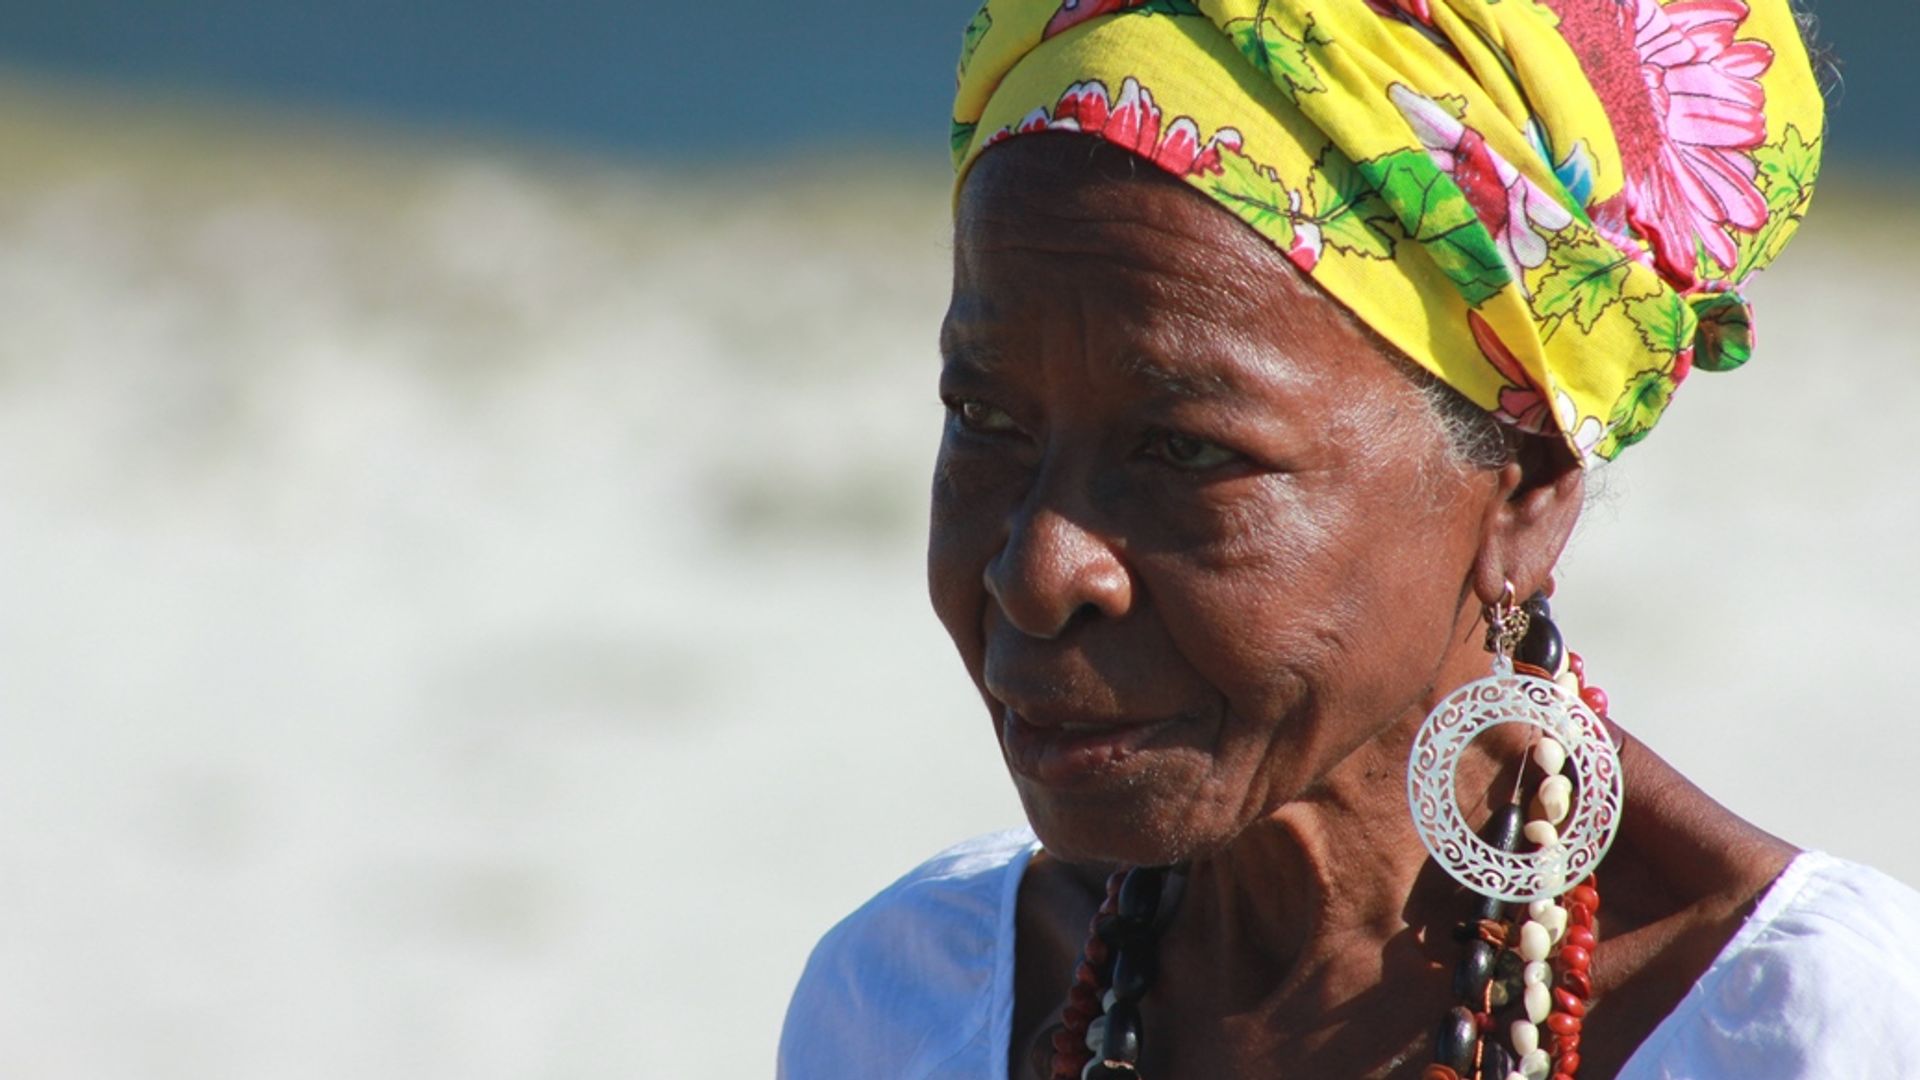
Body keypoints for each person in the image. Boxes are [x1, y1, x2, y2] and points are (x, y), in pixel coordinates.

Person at [781, 1, 1920, 1077]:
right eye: (985, 419)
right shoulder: (919, 1003)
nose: (1036, 573)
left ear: (1526, 492)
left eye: (1182, 450)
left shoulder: (1806, 1031)